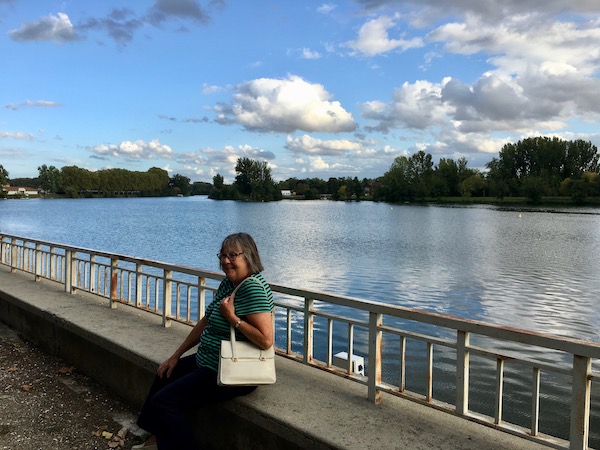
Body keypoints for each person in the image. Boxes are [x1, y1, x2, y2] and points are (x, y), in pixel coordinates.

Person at [133, 232, 274, 450]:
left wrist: (233, 319)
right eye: (222, 255)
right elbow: (206, 321)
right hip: (209, 360)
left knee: (165, 402)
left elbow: (265, 340)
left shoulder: (252, 288)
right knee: (164, 373)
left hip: (232, 371)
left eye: (232, 255)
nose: (225, 261)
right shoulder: (229, 283)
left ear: (249, 256)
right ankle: (157, 438)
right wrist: (176, 355)